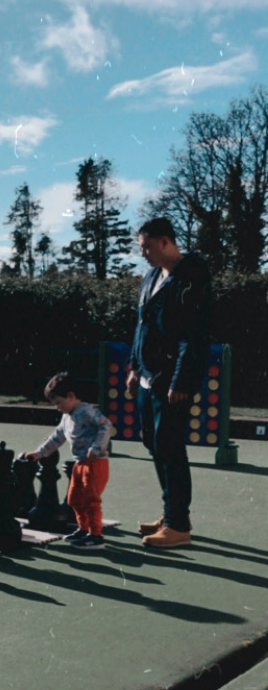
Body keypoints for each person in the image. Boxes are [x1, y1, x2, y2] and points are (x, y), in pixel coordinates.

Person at [126, 217, 211, 549]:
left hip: (173, 381)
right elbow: (141, 327)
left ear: (165, 242)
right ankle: (170, 512)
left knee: (170, 445)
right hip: (147, 377)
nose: (143, 253)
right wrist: (134, 367)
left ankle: (179, 525)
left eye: (146, 246)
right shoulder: (150, 277)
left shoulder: (192, 275)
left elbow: (194, 335)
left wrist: (182, 381)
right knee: (153, 442)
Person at [25, 370, 113, 550]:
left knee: (91, 500)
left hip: (95, 463)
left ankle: (96, 535)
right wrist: (39, 453)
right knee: (74, 500)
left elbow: (106, 425)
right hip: (79, 463)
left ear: (71, 396)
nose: (57, 407)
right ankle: (83, 529)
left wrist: (96, 447)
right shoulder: (67, 417)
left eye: (59, 402)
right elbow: (57, 437)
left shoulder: (86, 410)